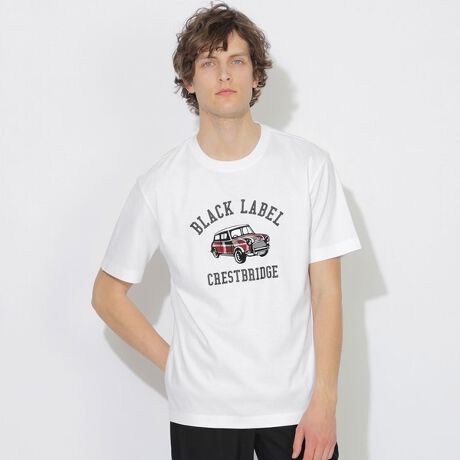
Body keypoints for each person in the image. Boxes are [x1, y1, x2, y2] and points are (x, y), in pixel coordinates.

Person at [91, 2, 361, 459]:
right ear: (188, 80)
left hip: (297, 406)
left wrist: (326, 401)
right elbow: (107, 295)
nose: (224, 75)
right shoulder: (161, 184)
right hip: (204, 412)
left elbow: (327, 291)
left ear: (256, 75)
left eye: (237, 60)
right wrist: (175, 365)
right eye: (208, 63)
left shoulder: (308, 166)